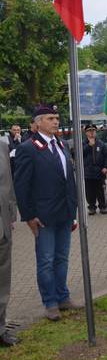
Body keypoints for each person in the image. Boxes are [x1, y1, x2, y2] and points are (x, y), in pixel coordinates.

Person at [13, 104, 79, 321]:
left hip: (65, 213)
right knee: (46, 260)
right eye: (50, 118)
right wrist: (29, 216)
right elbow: (22, 186)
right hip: (44, 217)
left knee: (62, 258)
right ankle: (50, 302)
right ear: (38, 122)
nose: (56, 122)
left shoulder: (61, 144)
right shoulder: (28, 148)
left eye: (57, 118)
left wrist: (74, 209)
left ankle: (63, 297)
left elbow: (67, 180)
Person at [0, 138, 19, 346]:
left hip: (3, 226)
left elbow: (9, 185)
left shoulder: (2, 145)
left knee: (2, 281)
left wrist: (11, 215)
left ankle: (0, 329)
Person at [82, 124, 107, 215]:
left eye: (93, 130)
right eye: (89, 131)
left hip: (99, 172)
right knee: (89, 192)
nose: (91, 133)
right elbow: (77, 154)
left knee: (101, 191)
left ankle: (103, 206)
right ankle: (92, 207)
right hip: (87, 173)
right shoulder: (82, 143)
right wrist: (89, 146)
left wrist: (106, 167)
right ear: (86, 133)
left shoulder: (101, 144)